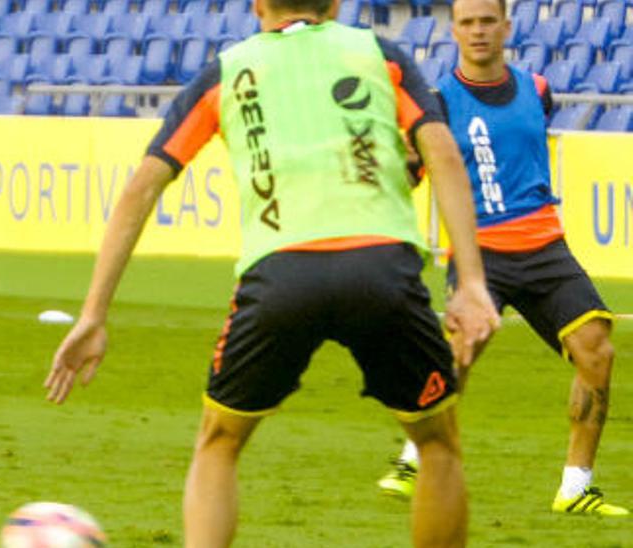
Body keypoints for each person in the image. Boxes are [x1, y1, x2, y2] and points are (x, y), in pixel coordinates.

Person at [45, 0, 502, 544]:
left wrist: (94, 314)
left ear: (258, 5)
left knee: (219, 442)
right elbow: (443, 153)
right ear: (334, 5)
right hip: (382, 267)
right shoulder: (381, 54)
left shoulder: (227, 70)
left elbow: (142, 187)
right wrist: (471, 282)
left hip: (281, 273)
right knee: (436, 442)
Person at [375, 0, 626, 517]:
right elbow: (411, 172)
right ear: (454, 31)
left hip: (545, 247)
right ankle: (411, 459)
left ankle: (576, 488)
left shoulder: (538, 89)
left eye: (488, 20)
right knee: (460, 350)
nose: (478, 31)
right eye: (467, 22)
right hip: (479, 249)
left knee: (597, 350)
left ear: (507, 27)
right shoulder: (438, 101)